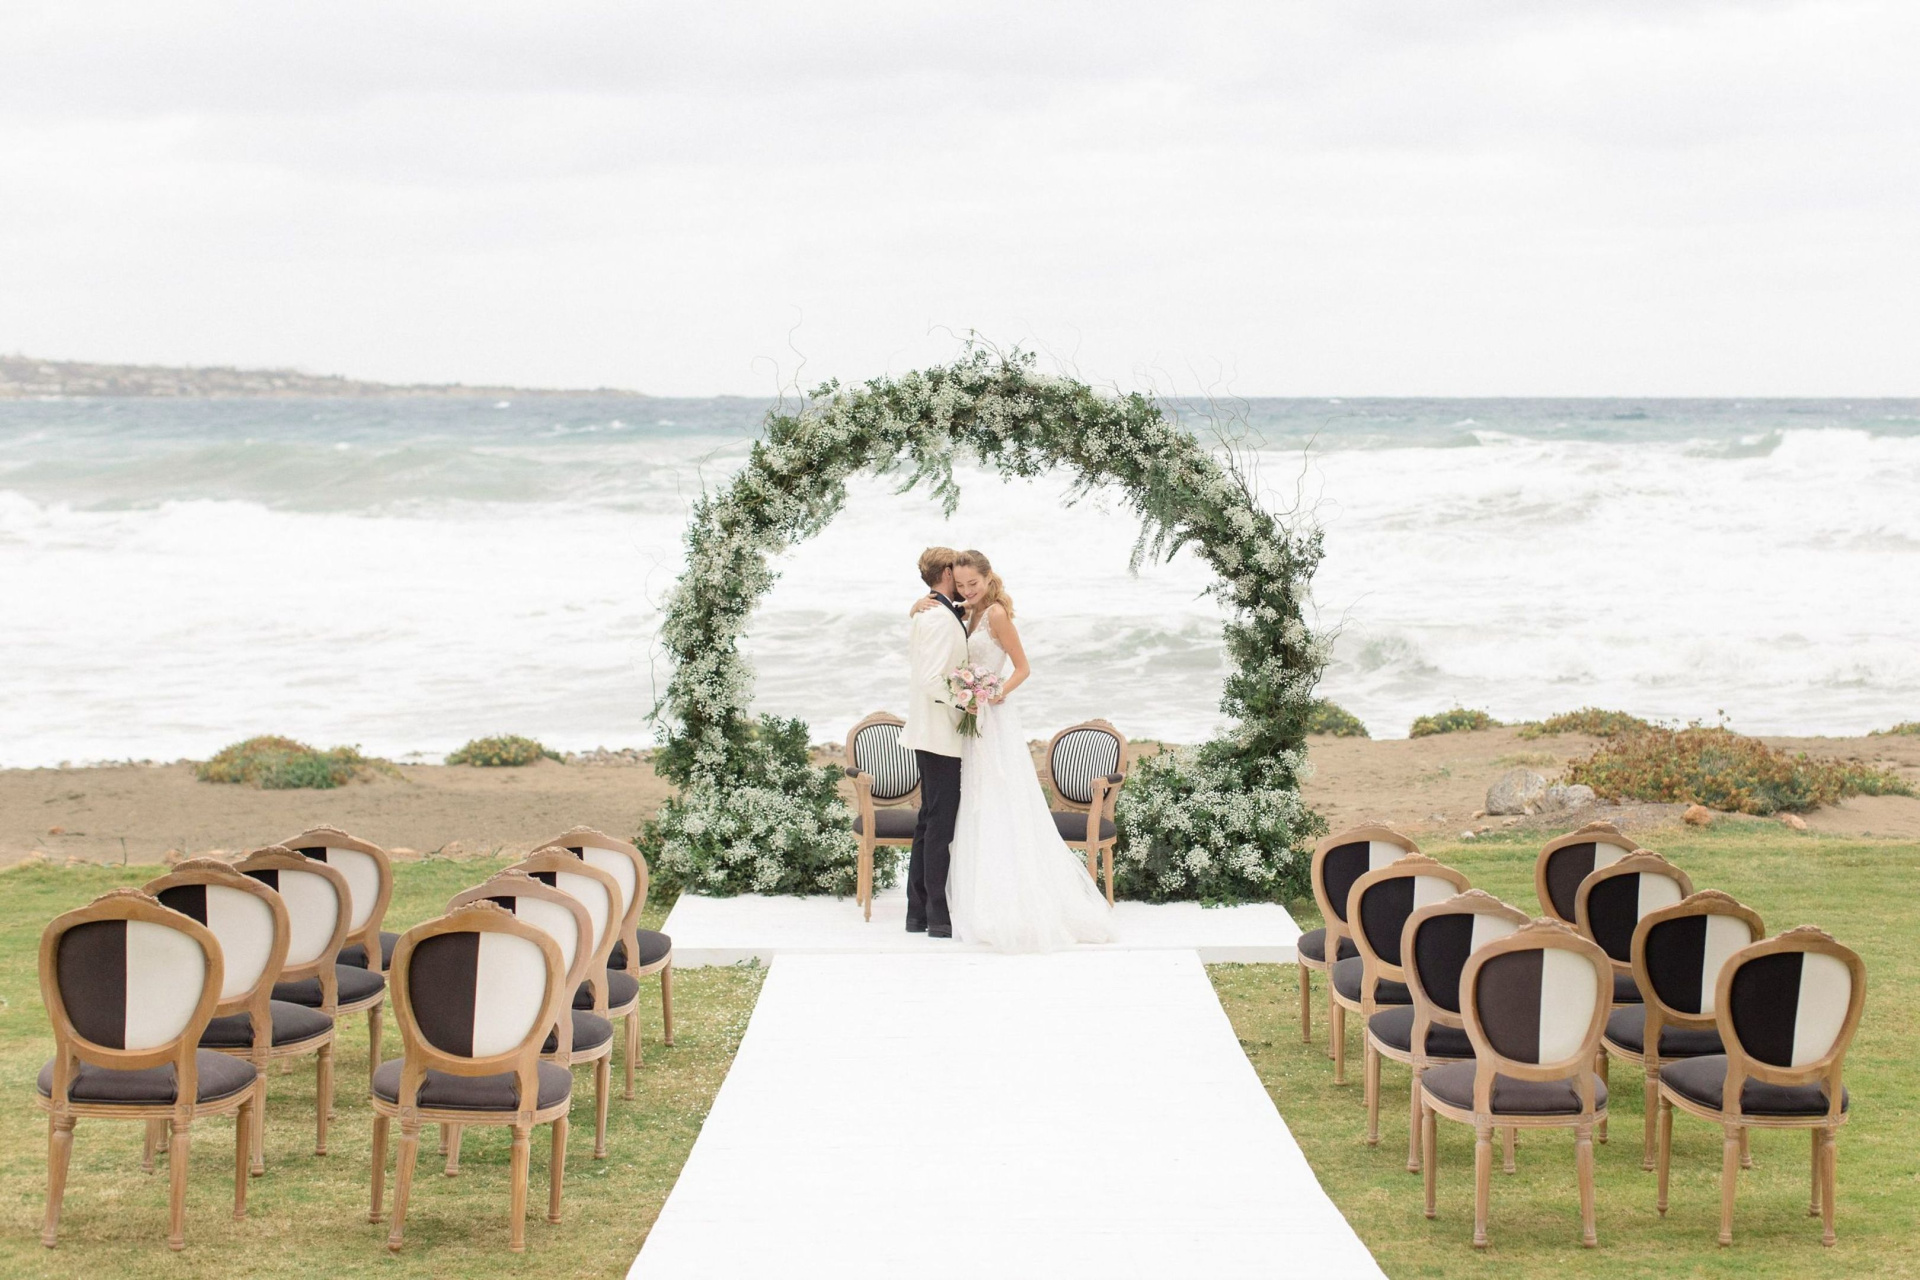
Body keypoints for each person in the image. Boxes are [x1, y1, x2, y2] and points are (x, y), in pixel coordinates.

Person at [914, 549, 1113, 951]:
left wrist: (995, 692)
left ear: (989, 577)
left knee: (999, 799)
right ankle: (972, 901)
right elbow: (941, 623)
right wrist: (920, 603)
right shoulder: (966, 611)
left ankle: (1009, 901)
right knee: (975, 804)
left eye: (974, 583)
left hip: (993, 717)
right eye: (962, 584)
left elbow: (1023, 667)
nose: (968, 590)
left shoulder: (997, 615)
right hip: (972, 720)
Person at [901, 546, 969, 937]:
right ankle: (938, 916)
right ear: (946, 571)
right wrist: (968, 700)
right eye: (956, 570)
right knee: (939, 827)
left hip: (928, 732)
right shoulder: (938, 618)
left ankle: (919, 912)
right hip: (940, 734)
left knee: (928, 823)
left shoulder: (932, 612)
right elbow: (931, 680)